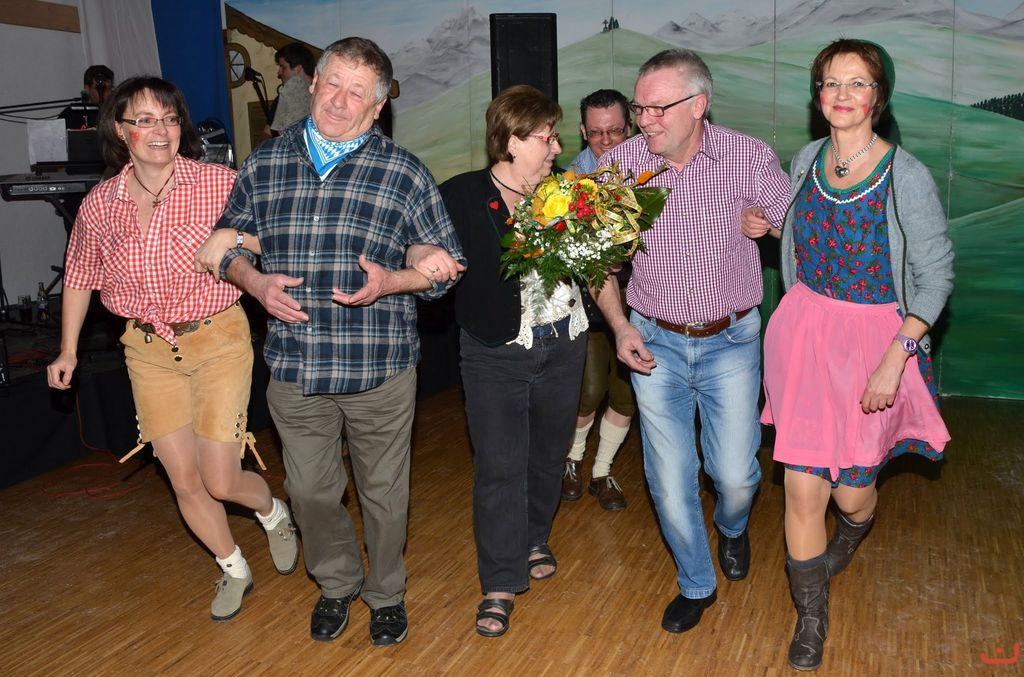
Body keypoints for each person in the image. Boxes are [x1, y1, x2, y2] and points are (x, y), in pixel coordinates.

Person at [195, 37, 464, 647]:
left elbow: (443, 263)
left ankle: (386, 594)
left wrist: (396, 278)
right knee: (311, 493)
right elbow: (227, 244)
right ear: (313, 84)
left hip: (379, 368)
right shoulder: (266, 163)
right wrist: (255, 282)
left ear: (378, 107)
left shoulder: (404, 172)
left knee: (384, 497)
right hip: (296, 367)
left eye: (358, 93)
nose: (341, 101)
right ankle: (337, 583)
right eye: (334, 84)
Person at [46, 76, 299, 623]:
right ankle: (233, 566)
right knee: (183, 479)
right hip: (146, 349)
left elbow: (275, 236)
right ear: (120, 131)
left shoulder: (218, 183)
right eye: (144, 120)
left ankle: (273, 512)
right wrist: (67, 350)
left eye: (168, 118)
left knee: (220, 478)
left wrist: (234, 236)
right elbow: (80, 275)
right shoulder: (100, 204)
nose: (159, 130)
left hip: (217, 338)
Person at [741, 39, 953, 671]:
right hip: (804, 335)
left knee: (848, 495)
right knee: (802, 487)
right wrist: (772, 228)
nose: (842, 94)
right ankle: (811, 616)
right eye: (830, 83)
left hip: (874, 345)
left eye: (857, 83)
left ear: (878, 97)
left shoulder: (906, 176)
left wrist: (896, 356)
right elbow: (807, 235)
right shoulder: (807, 159)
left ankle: (858, 526)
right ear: (818, 95)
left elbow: (936, 277)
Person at [594, 49, 791, 633]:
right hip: (653, 343)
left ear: (699, 104)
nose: (644, 120)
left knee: (735, 475)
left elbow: (800, 229)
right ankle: (696, 582)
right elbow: (592, 260)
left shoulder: (748, 156)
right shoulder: (619, 167)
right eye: (640, 107)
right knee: (670, 475)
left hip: (732, 340)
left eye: (658, 107)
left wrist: (771, 225)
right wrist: (621, 325)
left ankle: (732, 527)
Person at [439, 84, 588, 638]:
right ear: (511, 140)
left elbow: (594, 270)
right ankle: (500, 582)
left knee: (548, 455)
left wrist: (618, 321)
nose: (558, 147)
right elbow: (423, 249)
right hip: (493, 350)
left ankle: (532, 537)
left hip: (566, 342)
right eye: (547, 138)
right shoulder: (462, 195)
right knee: (500, 465)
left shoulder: (568, 193)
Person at [562, 88, 635, 510]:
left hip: (643, 301)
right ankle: (571, 462)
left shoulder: (652, 172)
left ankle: (601, 472)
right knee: (588, 392)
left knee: (625, 395)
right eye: (595, 133)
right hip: (588, 301)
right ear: (582, 131)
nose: (606, 141)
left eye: (614, 131)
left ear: (631, 127)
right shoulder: (569, 183)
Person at [261, 42, 315, 140]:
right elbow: (267, 132)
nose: (279, 73)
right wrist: (268, 145)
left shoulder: (319, 98)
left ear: (298, 69)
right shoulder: (281, 98)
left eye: (283, 67)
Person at [59, 64, 114, 129]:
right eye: (99, 88)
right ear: (87, 89)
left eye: (109, 88)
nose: (106, 93)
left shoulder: (115, 111)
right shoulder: (71, 114)